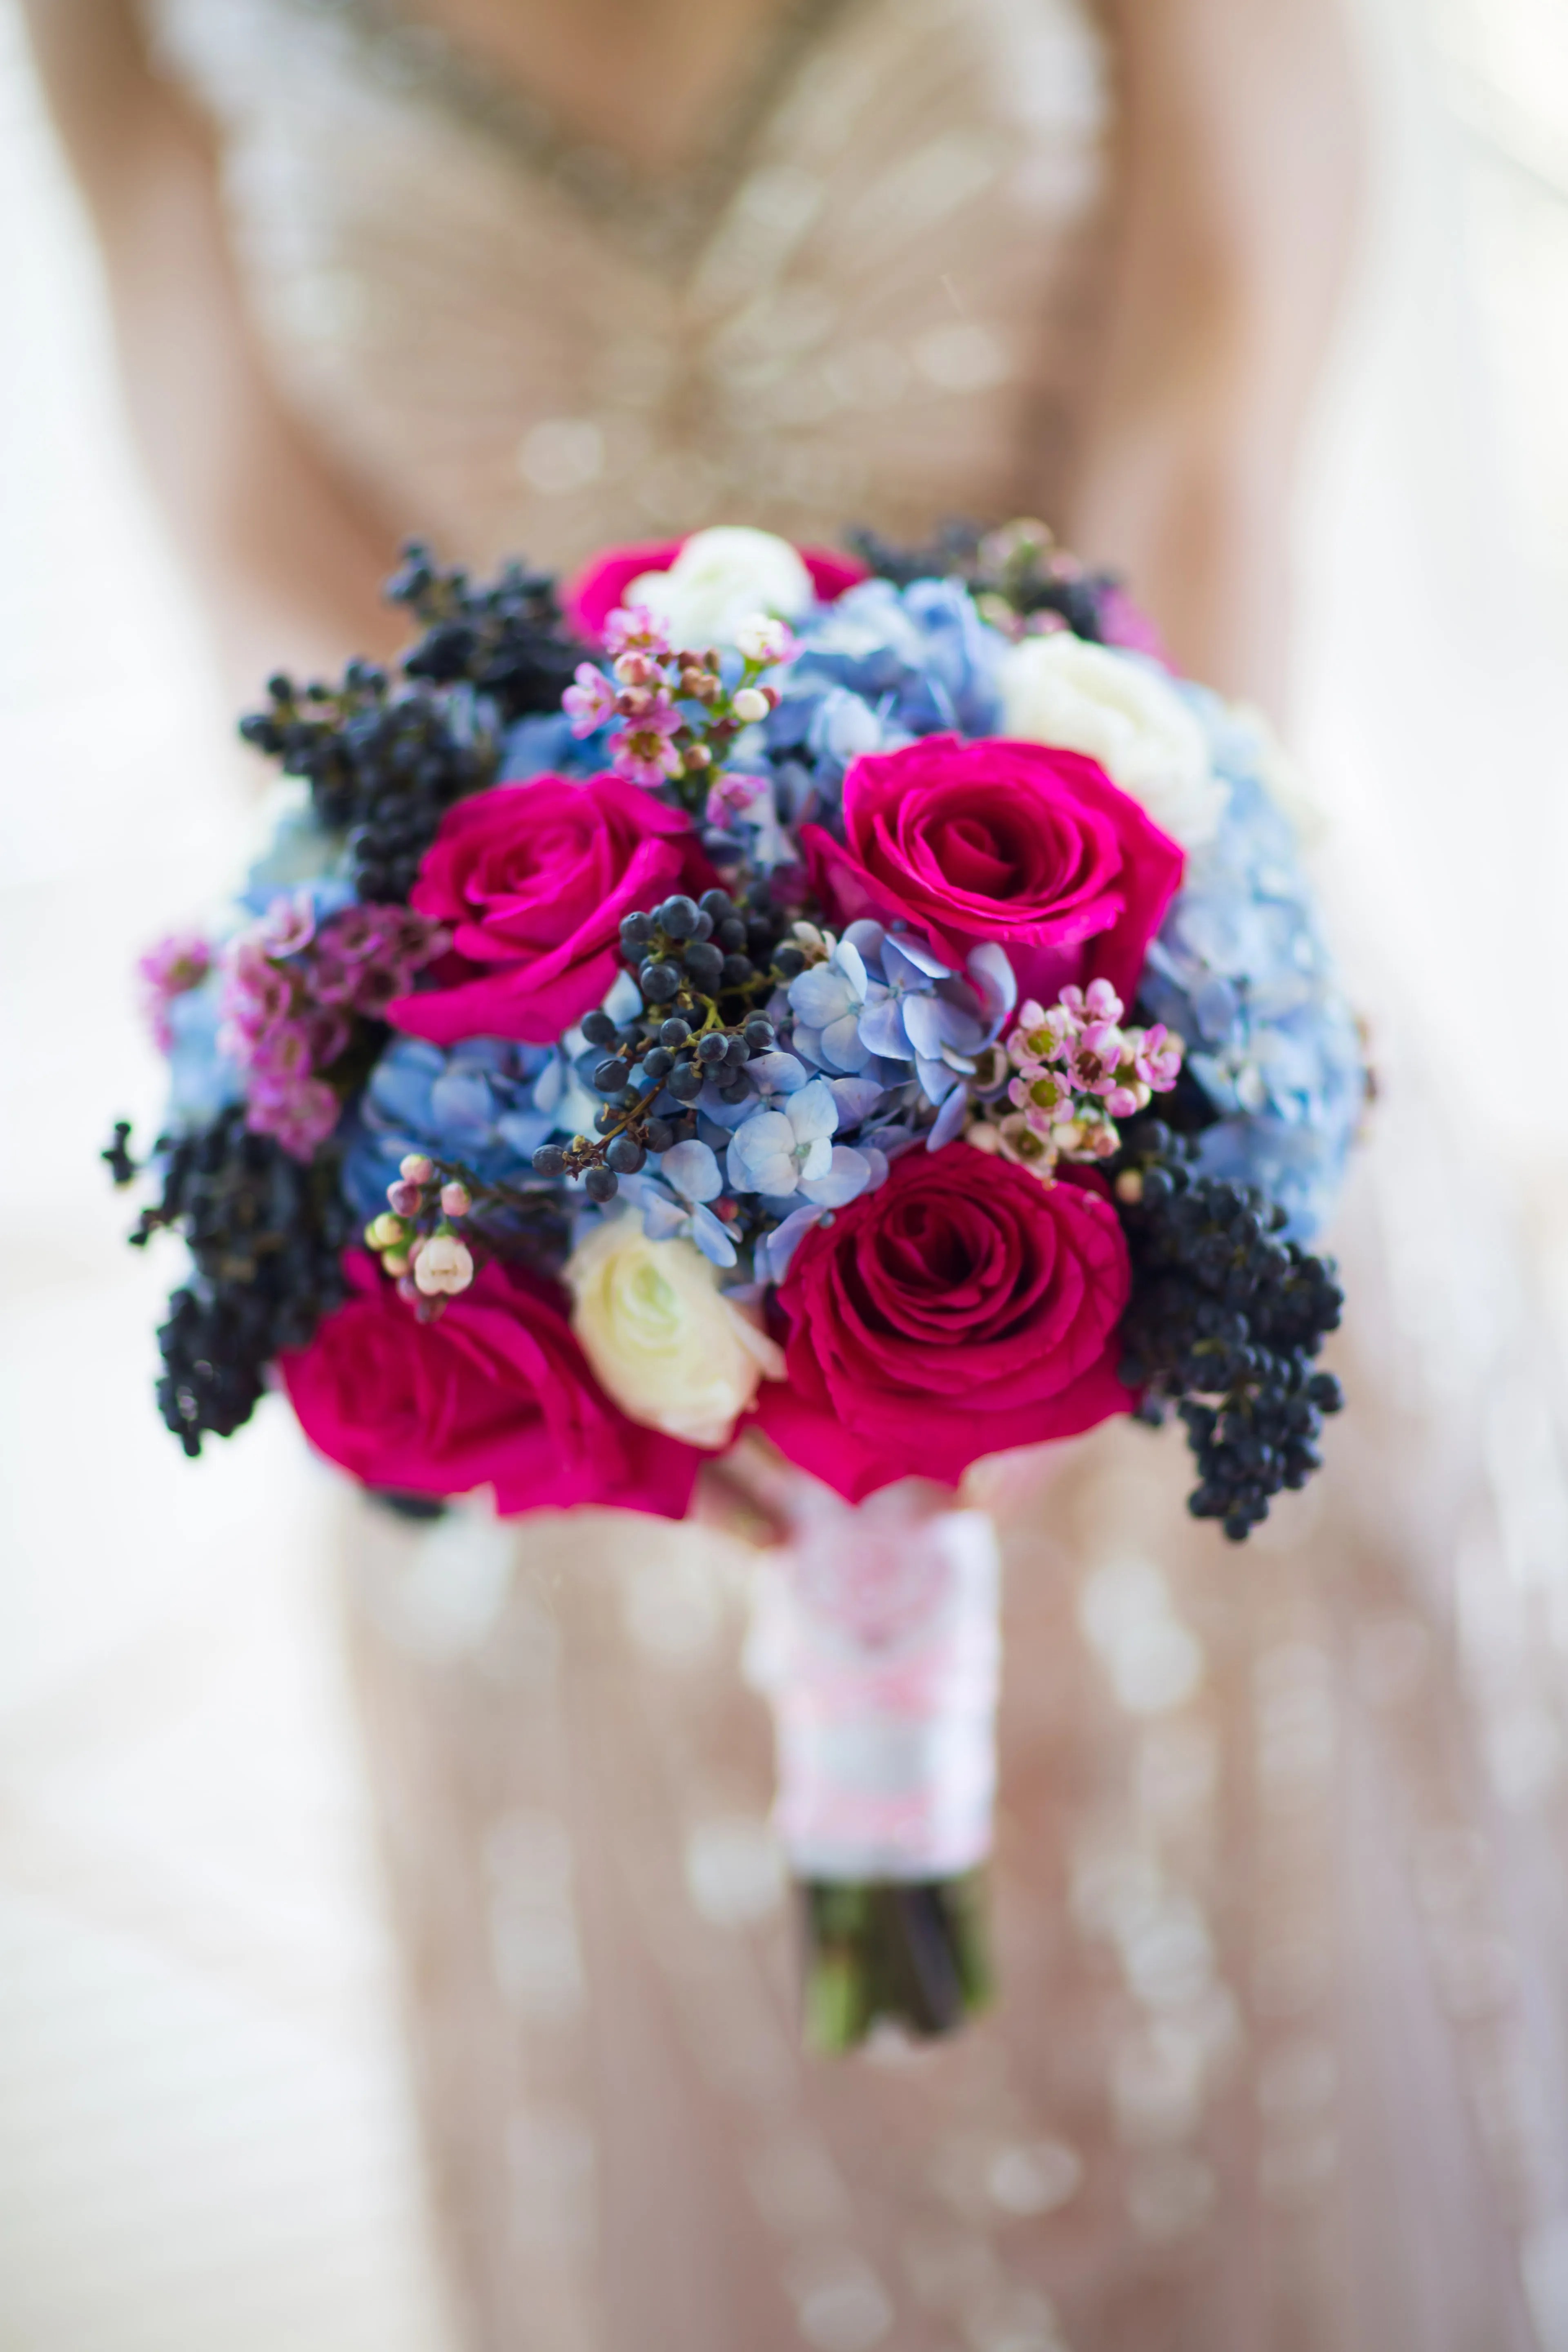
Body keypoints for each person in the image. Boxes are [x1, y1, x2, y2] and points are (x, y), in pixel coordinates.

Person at [26, 5, 1566, 2347]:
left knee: (1295, 2119)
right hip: (543, 1271)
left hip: (1163, 1111)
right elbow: (264, 573)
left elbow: (1211, 400)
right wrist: (588, 1198)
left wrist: (1079, 1133)